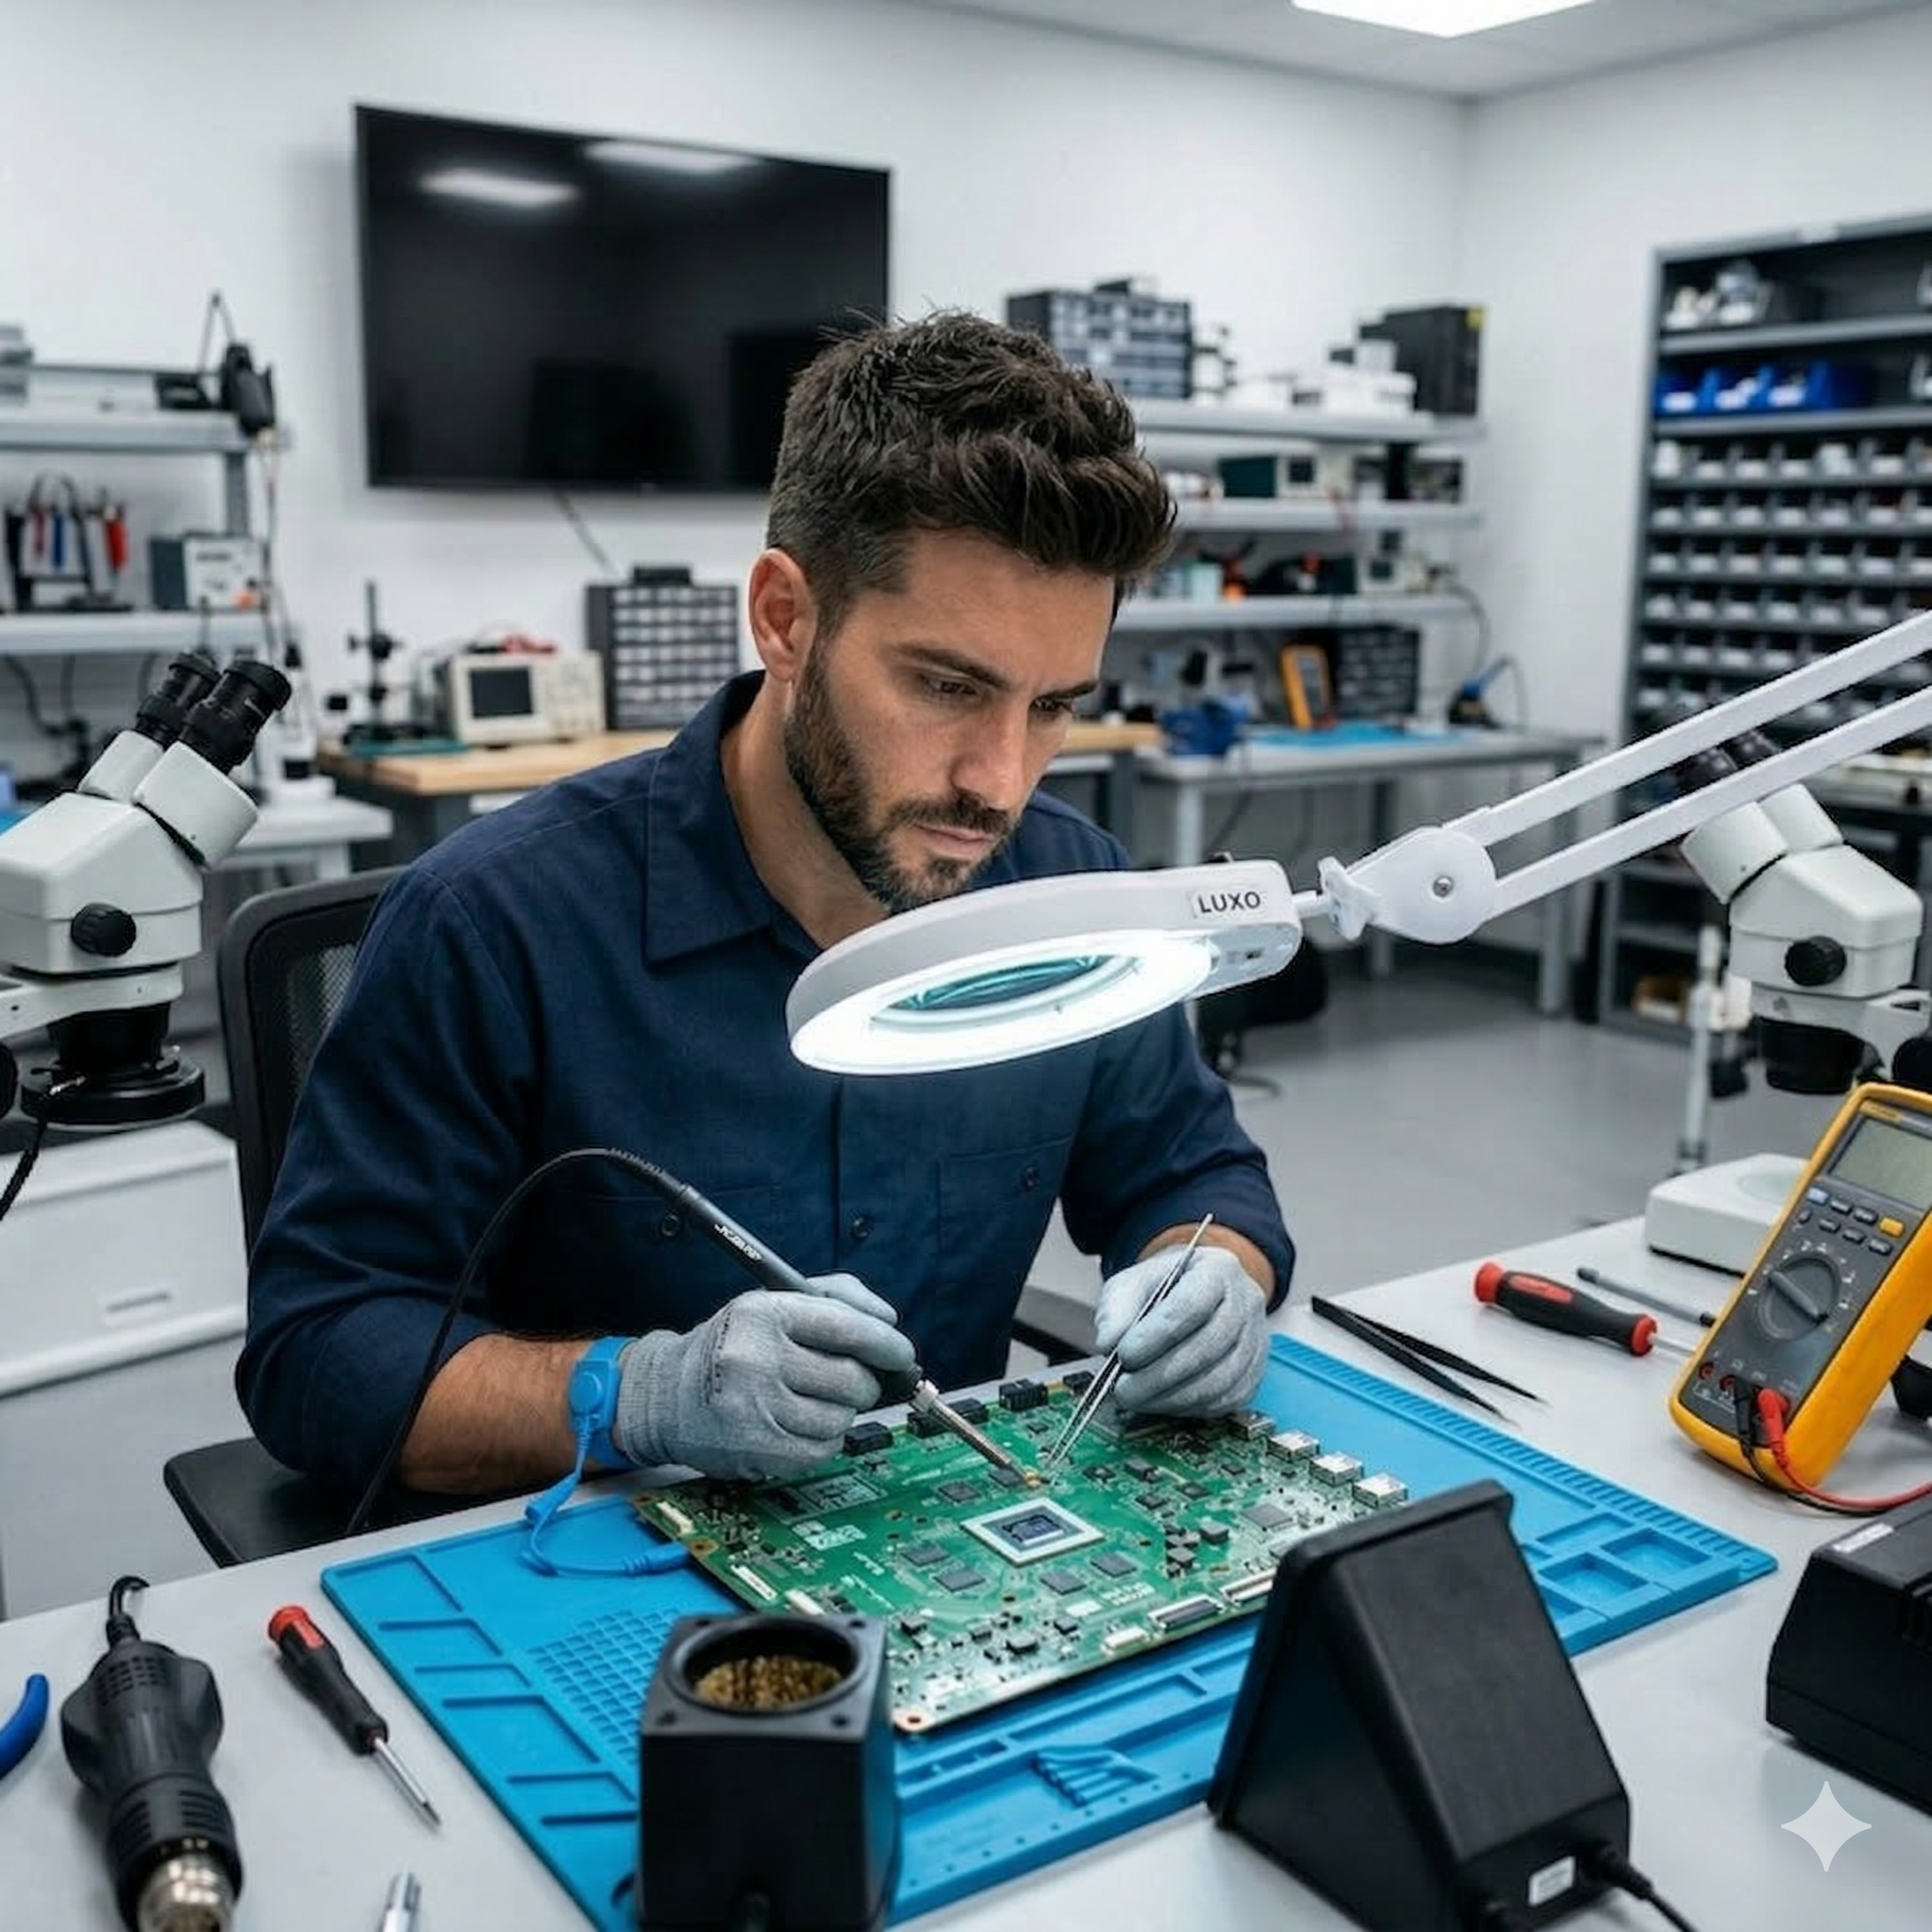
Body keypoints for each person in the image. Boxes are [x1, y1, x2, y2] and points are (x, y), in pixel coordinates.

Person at [238, 310, 1295, 1504]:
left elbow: (1195, 1177)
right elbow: (317, 1351)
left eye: (1052, 705)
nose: (998, 780)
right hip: (592, 1563)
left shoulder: (1068, 899)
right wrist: (636, 1393)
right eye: (946, 686)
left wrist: (1208, 1276)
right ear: (786, 617)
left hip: (950, 1564)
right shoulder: (491, 923)